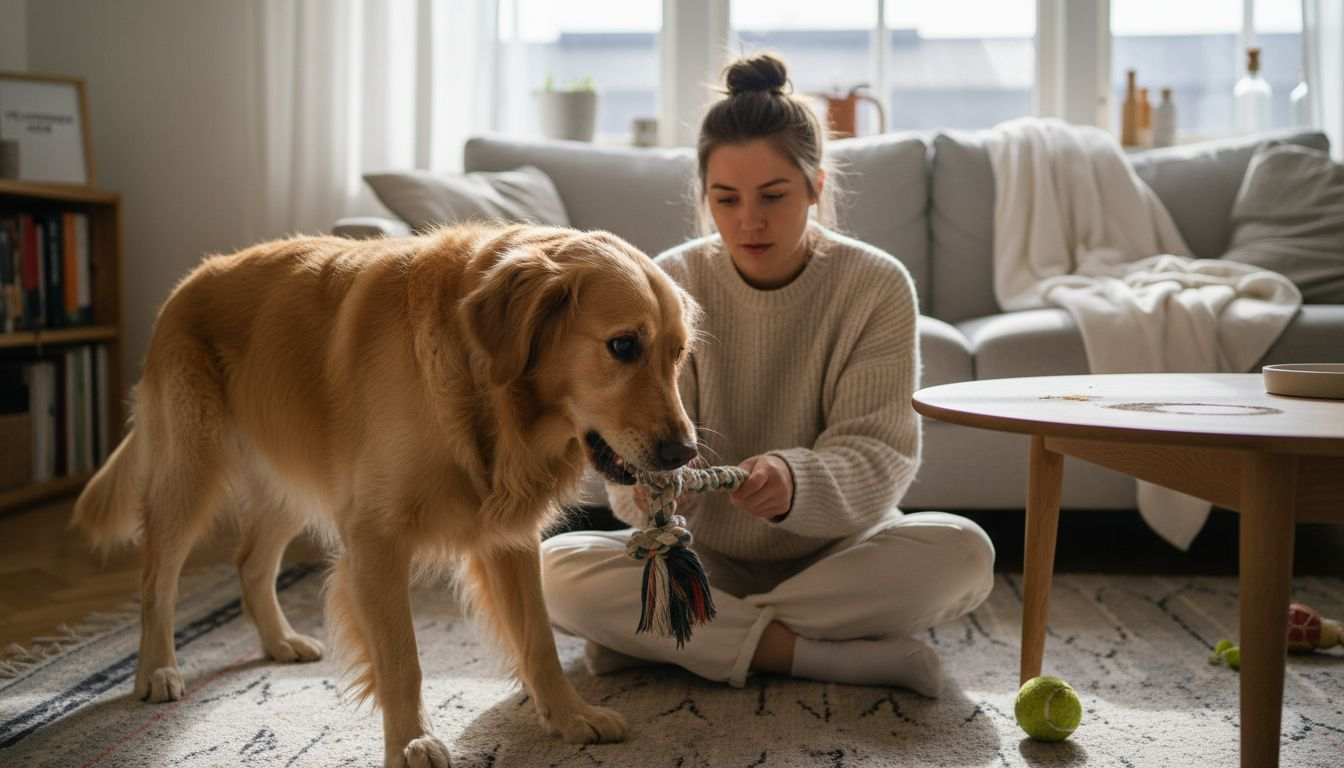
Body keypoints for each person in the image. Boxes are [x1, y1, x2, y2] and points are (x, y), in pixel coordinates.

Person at [540, 52, 995, 697]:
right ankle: (820, 654)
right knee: (550, 570)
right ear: (705, 197)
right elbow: (632, 449)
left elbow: (883, 456)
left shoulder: (877, 285)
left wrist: (795, 481)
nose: (748, 220)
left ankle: (673, 640)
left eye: (774, 196)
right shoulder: (671, 284)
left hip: (839, 556)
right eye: (725, 199)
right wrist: (647, 492)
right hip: (699, 558)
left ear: (815, 184)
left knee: (964, 555)